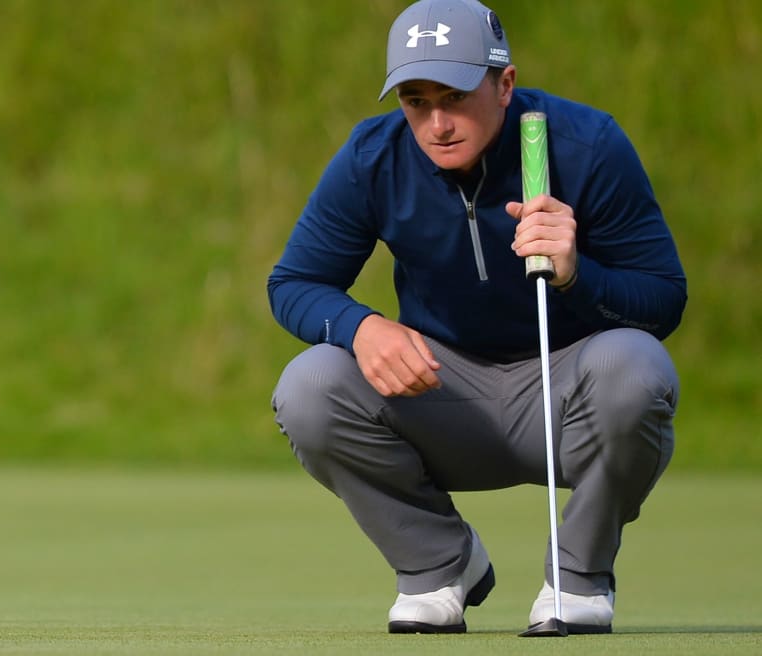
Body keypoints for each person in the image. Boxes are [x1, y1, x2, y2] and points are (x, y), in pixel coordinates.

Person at [267, 0, 686, 636]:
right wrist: (361, 326)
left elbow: (663, 297)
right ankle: (439, 566)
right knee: (309, 385)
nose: (437, 123)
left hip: (569, 395)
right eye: (415, 101)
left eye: (455, 96)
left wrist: (578, 274)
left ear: (504, 83)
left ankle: (578, 578)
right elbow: (294, 283)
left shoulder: (587, 144)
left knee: (635, 367)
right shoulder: (373, 158)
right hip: (443, 393)